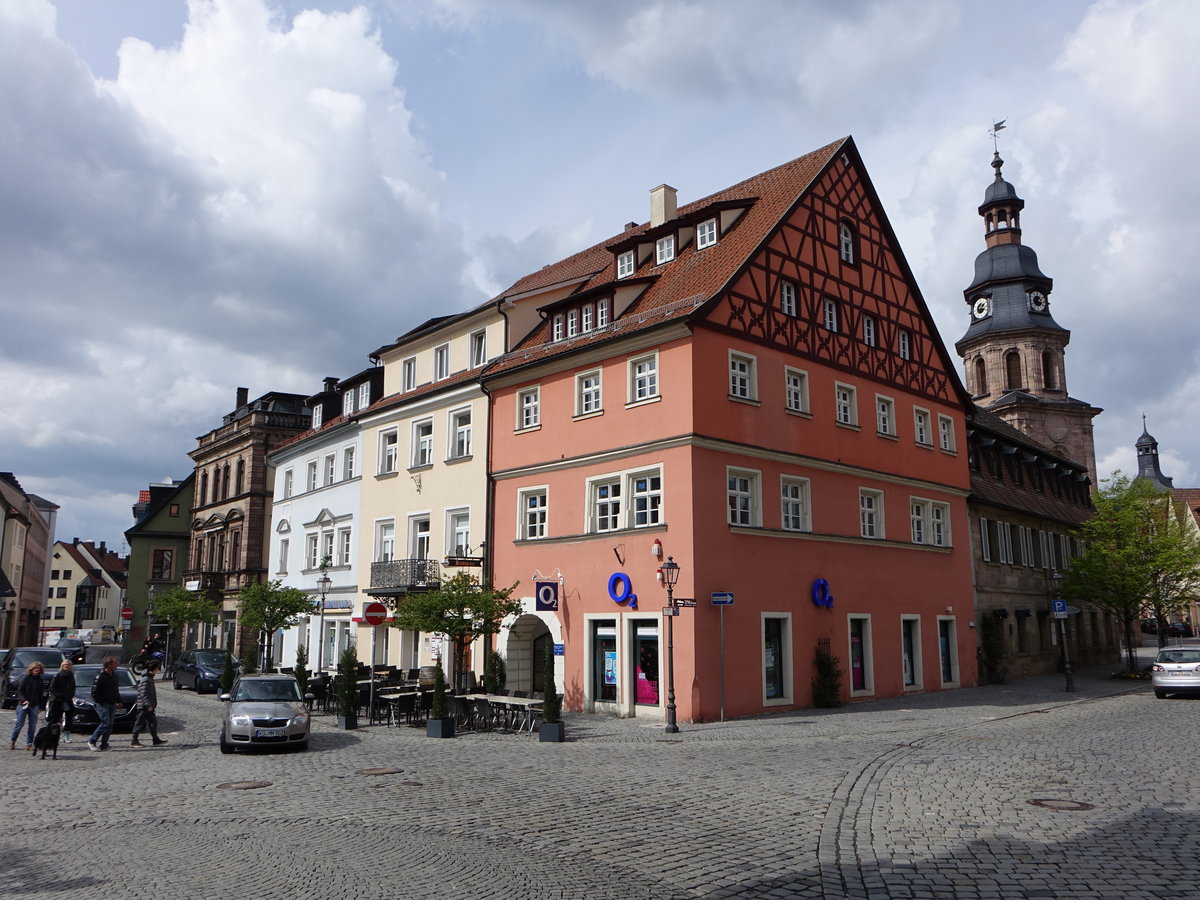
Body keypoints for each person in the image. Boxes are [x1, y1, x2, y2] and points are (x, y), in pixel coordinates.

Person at [87, 657, 122, 751]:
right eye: (115, 664)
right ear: (109, 665)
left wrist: (119, 701)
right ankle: (92, 741)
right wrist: (102, 702)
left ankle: (104, 744)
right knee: (105, 723)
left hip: (112, 703)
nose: (116, 665)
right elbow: (94, 692)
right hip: (103, 704)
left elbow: (116, 690)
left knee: (110, 724)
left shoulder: (114, 676)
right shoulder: (100, 677)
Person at [130, 659, 167, 748]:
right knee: (139, 723)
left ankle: (155, 739)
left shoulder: (150, 677)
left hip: (148, 706)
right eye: (158, 667)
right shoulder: (146, 679)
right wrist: (148, 705)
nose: (159, 669)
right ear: (155, 668)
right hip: (144, 706)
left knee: (153, 723)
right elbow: (143, 694)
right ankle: (134, 741)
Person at [10, 661, 45, 751]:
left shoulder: (40, 681)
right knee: (19, 724)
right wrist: (24, 700)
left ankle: (29, 743)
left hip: (35, 705)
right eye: (35, 668)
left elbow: (41, 695)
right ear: (31, 670)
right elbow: (19, 691)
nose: (37, 670)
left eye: (38, 668)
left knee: (32, 725)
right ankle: (13, 741)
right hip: (23, 705)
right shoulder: (26, 678)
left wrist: (41, 706)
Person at [48, 659, 76, 744]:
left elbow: (73, 687)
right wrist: (59, 695)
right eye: (65, 665)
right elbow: (52, 688)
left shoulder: (71, 675)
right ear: (62, 666)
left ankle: (66, 736)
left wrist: (71, 694)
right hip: (58, 701)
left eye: (68, 664)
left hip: (68, 700)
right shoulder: (58, 675)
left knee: (68, 719)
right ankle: (50, 734)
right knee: (55, 719)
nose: (67, 666)